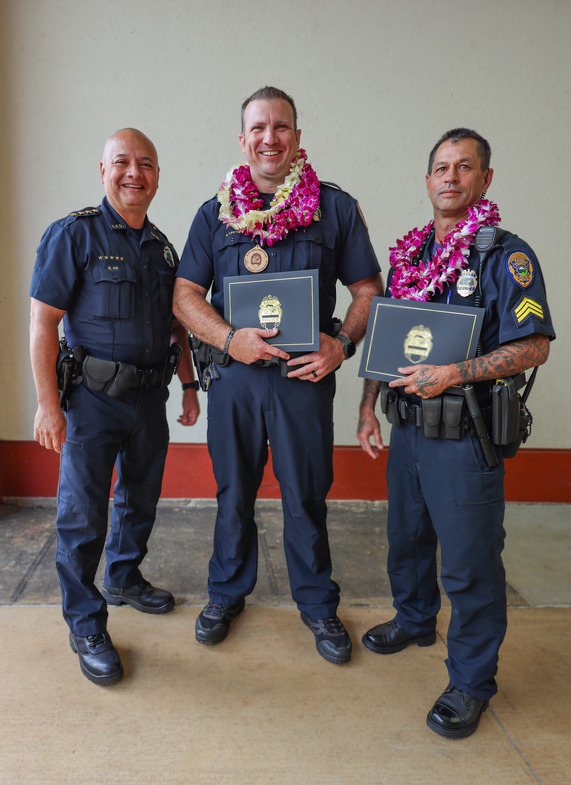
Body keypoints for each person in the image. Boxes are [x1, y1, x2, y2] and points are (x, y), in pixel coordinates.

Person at [174, 86, 382, 665]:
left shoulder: (334, 207)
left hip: (303, 382)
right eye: (259, 128)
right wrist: (226, 339)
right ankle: (225, 594)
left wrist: (341, 345)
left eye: (282, 127)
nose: (270, 138)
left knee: (306, 494)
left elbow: (368, 289)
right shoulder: (213, 213)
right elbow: (184, 294)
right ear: (243, 140)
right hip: (236, 381)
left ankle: (317, 604)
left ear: (297, 136)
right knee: (233, 492)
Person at [358, 128, 554, 737]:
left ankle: (470, 683)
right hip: (409, 431)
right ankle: (415, 619)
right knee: (407, 540)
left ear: (484, 180)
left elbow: (534, 346)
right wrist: (368, 408)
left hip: (466, 437)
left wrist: (454, 373)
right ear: (427, 180)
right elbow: (385, 343)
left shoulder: (506, 256)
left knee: (470, 567)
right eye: (440, 167)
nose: (450, 177)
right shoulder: (410, 255)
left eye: (464, 167)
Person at [29, 128, 200, 686]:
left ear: (157, 175)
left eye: (146, 163)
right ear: (103, 171)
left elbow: (177, 323)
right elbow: (43, 323)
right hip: (91, 401)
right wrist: (48, 405)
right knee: (83, 515)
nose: (134, 173)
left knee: (140, 499)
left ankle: (124, 578)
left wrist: (190, 384)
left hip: (150, 399)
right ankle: (85, 622)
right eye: (122, 162)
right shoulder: (72, 235)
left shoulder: (164, 246)